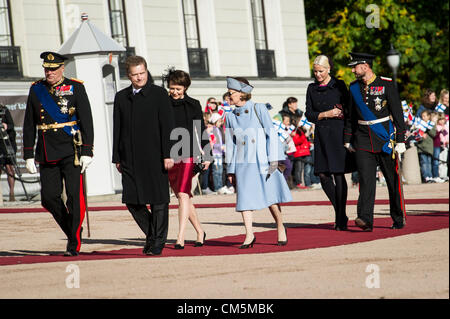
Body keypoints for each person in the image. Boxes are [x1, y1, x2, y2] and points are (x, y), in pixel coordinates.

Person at [23, 51, 94, 256]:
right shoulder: (37, 89)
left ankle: (73, 243)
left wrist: (87, 150)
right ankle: (73, 231)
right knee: (49, 198)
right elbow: (29, 123)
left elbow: (86, 120)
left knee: (74, 197)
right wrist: (28, 154)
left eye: (53, 69)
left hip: (71, 149)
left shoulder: (75, 87)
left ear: (62, 68)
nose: (49, 72)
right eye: (46, 69)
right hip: (46, 150)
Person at [112, 56, 174, 256]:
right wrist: (117, 157)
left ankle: (158, 242)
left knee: (158, 201)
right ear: (128, 76)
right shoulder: (121, 97)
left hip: (155, 155)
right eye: (135, 74)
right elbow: (117, 129)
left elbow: (167, 125)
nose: (139, 78)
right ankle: (151, 234)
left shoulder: (159, 94)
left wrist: (168, 154)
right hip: (129, 157)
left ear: (147, 71)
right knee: (132, 200)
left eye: (142, 73)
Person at [225, 76, 292, 248]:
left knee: (271, 198)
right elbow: (231, 145)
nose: (228, 96)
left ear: (241, 93)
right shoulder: (230, 117)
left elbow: (271, 134)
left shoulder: (258, 108)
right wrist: (230, 170)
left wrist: (275, 160)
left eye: (231, 93)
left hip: (263, 161)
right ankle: (249, 234)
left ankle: (280, 225)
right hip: (242, 163)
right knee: (244, 199)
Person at [344, 52, 407, 231]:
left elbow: (397, 114)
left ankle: (398, 217)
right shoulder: (354, 88)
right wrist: (347, 139)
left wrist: (400, 138)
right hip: (362, 139)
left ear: (365, 66)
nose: (353, 70)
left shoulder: (386, 84)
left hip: (384, 138)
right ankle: (365, 219)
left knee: (392, 180)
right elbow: (350, 116)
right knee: (366, 180)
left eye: (355, 67)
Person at [305, 55, 354, 230]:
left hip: (338, 133)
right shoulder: (311, 88)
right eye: (315, 71)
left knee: (338, 173)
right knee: (323, 175)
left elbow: (349, 108)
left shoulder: (339, 85)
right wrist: (326, 114)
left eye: (321, 71)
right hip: (321, 134)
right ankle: (340, 212)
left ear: (328, 70)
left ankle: (340, 217)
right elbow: (309, 114)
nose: (318, 74)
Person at [164, 68, 211, 249]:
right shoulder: (163, 103)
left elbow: (201, 129)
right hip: (168, 154)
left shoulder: (193, 104)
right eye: (172, 88)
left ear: (185, 87)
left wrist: (207, 154)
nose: (174, 92)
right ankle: (200, 231)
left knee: (183, 194)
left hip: (188, 152)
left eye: (178, 88)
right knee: (183, 196)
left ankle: (180, 236)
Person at [0, 104, 17, 201]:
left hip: (6, 141)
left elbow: (11, 125)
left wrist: (5, 126)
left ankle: (12, 193)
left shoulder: (4, 110)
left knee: (9, 167)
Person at [416, 110, 437, 183]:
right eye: (422, 116)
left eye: (425, 116)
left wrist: (428, 128)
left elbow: (434, 134)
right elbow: (417, 136)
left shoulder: (431, 124)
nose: (423, 118)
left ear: (428, 116)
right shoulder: (419, 125)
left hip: (429, 147)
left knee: (429, 162)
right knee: (424, 163)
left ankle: (430, 176)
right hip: (422, 148)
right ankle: (426, 177)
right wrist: (422, 135)